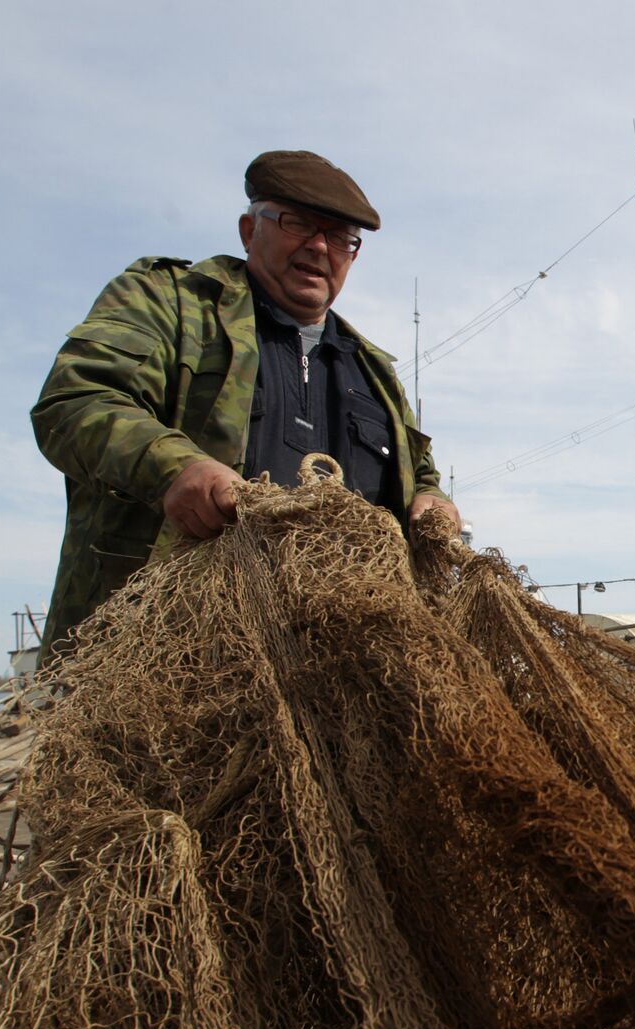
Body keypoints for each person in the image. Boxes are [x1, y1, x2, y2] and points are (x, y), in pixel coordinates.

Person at [32, 150, 458, 655]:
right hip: (168, 651)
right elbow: (75, 400)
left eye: (342, 238)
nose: (320, 246)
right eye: (297, 222)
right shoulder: (168, 302)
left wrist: (433, 501)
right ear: (248, 230)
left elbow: (421, 473)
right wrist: (174, 468)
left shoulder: (374, 372)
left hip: (342, 666)